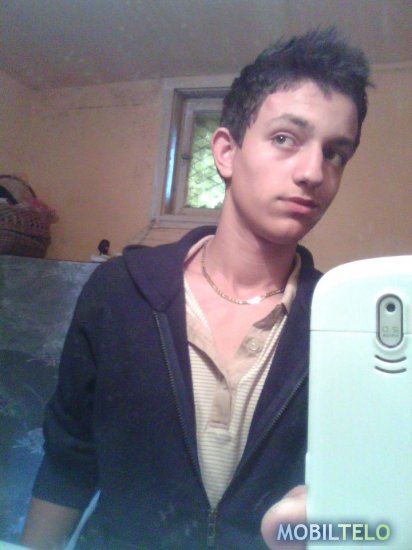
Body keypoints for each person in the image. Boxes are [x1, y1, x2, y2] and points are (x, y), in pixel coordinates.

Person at [20, 28, 370, 549]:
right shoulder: (118, 292)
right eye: (285, 138)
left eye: (336, 153)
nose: (314, 171)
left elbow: (369, 513)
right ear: (226, 153)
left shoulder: (345, 323)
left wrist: (323, 532)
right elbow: (70, 457)